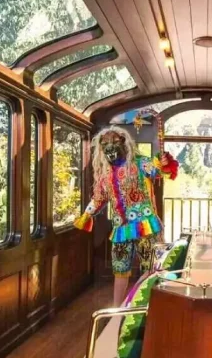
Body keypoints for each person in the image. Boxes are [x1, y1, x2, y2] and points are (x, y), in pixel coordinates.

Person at [74, 125, 178, 306]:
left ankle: (136, 302)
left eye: (115, 142)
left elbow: (159, 171)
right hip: (121, 229)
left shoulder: (140, 163)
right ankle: (118, 310)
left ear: (124, 143)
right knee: (120, 270)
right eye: (105, 144)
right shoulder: (105, 174)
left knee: (152, 266)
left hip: (145, 225)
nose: (110, 147)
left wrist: (163, 162)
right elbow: (99, 198)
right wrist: (86, 215)